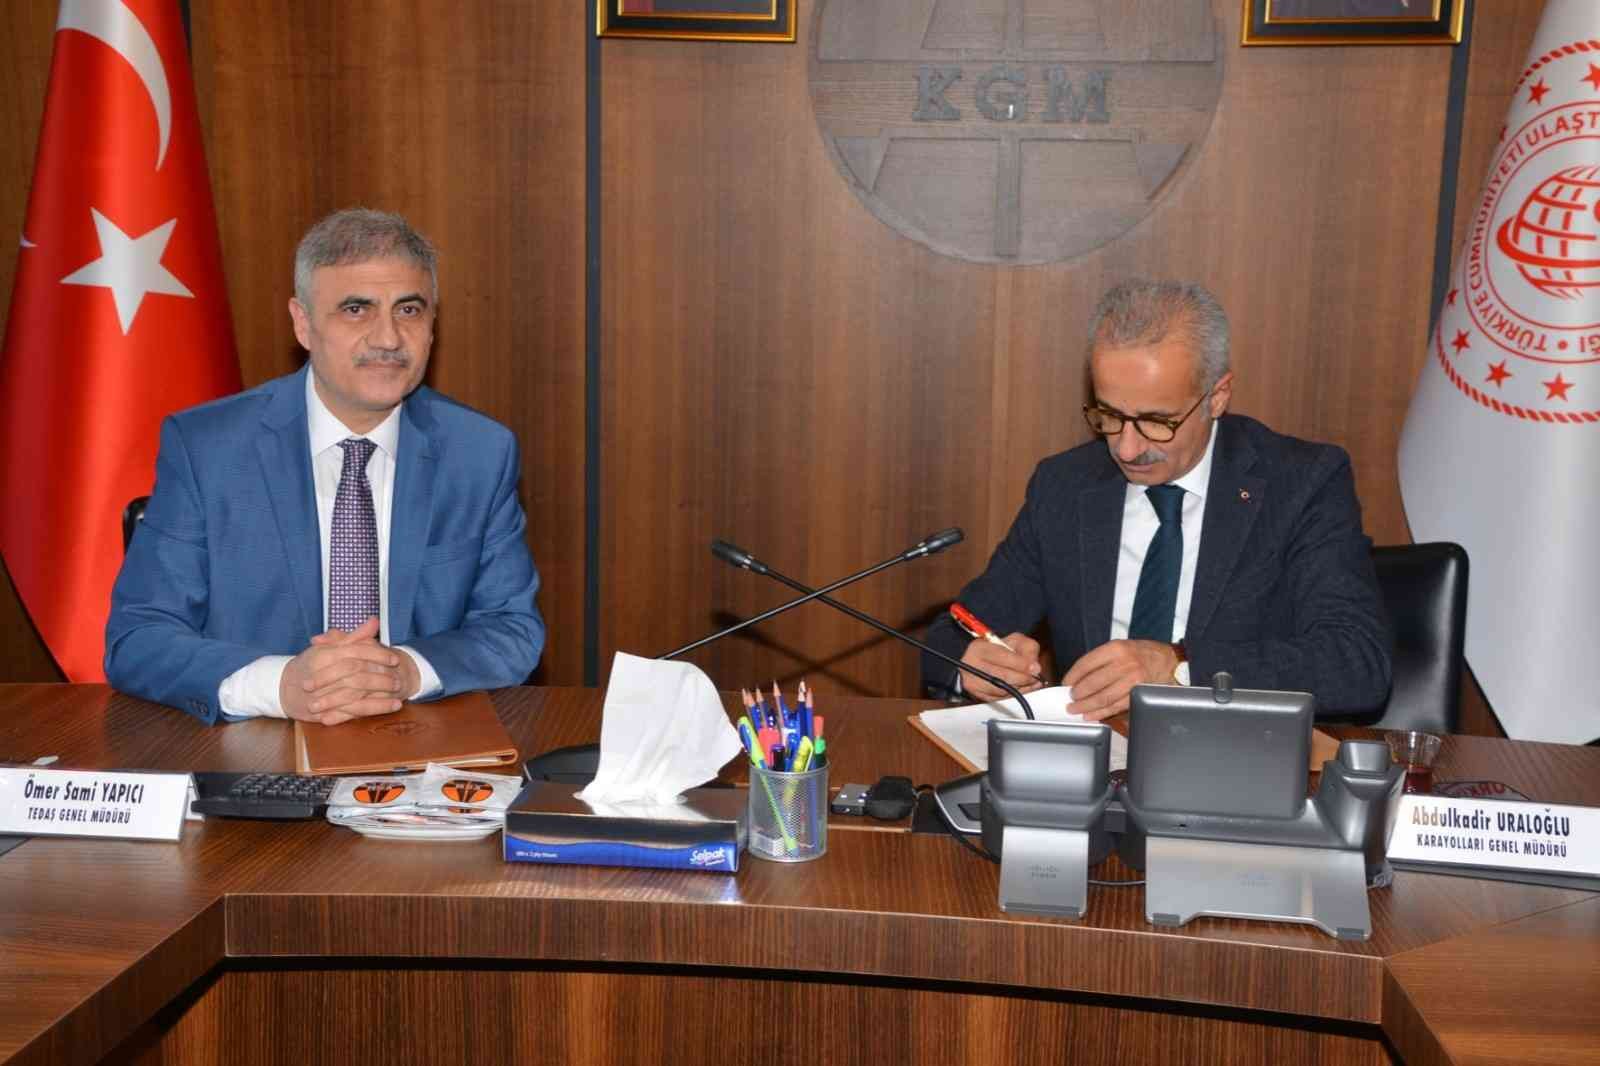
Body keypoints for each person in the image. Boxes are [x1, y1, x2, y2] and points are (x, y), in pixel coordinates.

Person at [106, 209, 544, 725]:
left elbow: (512, 629)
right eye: (356, 309)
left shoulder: (479, 452)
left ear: (432, 325)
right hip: (253, 742)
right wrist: (282, 685)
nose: (388, 339)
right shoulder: (208, 448)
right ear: (303, 323)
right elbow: (139, 637)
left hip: (418, 741)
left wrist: (402, 671)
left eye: (409, 309)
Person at [921, 279, 1390, 720]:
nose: (1127, 449)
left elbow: (1356, 663)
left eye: (1155, 422)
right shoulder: (1065, 485)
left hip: (1232, 756)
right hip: (1092, 756)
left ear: (1217, 397)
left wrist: (1179, 667)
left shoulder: (1301, 484)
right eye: (1109, 416)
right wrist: (970, 663)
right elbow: (954, 632)